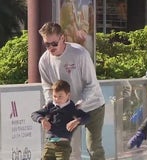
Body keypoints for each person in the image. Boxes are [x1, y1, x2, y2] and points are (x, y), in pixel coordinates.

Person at [38, 22, 106, 160]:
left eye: (54, 43)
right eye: (46, 44)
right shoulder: (44, 61)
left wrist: (80, 103)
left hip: (93, 105)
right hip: (67, 109)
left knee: (93, 147)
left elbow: (91, 84)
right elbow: (47, 87)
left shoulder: (79, 54)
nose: (50, 48)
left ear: (62, 38)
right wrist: (51, 103)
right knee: (68, 148)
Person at [31, 80, 90, 160]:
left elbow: (87, 117)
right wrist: (42, 120)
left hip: (63, 144)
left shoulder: (72, 108)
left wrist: (77, 121)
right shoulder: (50, 106)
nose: (57, 99)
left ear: (68, 95)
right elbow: (34, 114)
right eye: (54, 96)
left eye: (60, 96)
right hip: (49, 143)